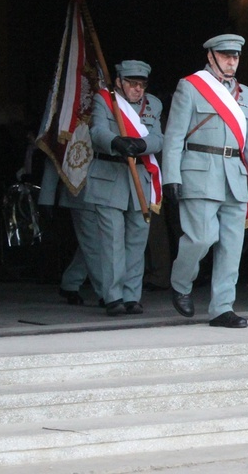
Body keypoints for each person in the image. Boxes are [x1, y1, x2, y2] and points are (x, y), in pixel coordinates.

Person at [162, 34, 248, 329]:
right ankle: (181, 282)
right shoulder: (192, 87)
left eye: (235, 56)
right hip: (199, 172)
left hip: (234, 177)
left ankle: (222, 307)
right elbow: (173, 136)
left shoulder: (245, 95)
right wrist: (170, 175)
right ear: (210, 56)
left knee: (232, 246)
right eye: (225, 56)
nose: (231, 61)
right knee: (201, 238)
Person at [85, 60, 164, 316]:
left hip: (140, 177)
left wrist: (141, 146)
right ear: (119, 81)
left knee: (137, 239)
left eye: (142, 84)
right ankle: (113, 296)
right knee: (112, 240)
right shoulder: (104, 100)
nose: (138, 89)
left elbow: (158, 138)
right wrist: (116, 141)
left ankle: (132, 296)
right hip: (110, 175)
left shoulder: (154, 104)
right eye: (132, 83)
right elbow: (96, 131)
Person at [38, 158, 103, 305]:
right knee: (93, 244)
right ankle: (107, 293)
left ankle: (71, 282)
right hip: (81, 190)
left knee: (92, 244)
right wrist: (46, 198)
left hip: (106, 189)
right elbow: (53, 156)